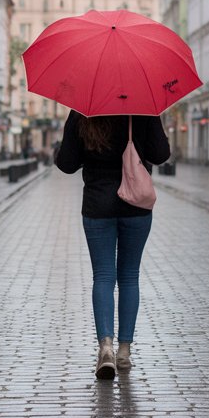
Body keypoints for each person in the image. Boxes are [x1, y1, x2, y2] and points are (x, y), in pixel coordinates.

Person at [54, 110, 170, 380]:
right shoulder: (144, 109)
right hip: (136, 205)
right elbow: (161, 154)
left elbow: (67, 163)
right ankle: (124, 351)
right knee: (129, 277)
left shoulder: (82, 109)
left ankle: (105, 347)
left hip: (97, 205)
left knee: (103, 277)